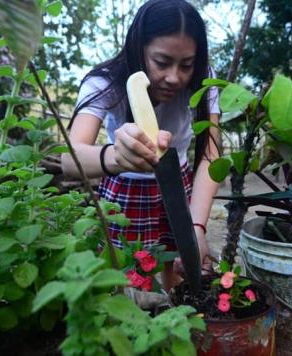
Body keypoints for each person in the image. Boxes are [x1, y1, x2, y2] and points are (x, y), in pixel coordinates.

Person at [61, 0, 220, 288]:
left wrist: (196, 226)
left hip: (178, 183)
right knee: (127, 277)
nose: (174, 77)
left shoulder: (204, 80)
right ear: (138, 48)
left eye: (186, 65)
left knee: (175, 272)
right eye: (161, 62)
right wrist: (116, 157)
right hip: (126, 188)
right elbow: (70, 159)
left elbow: (211, 154)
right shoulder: (105, 82)